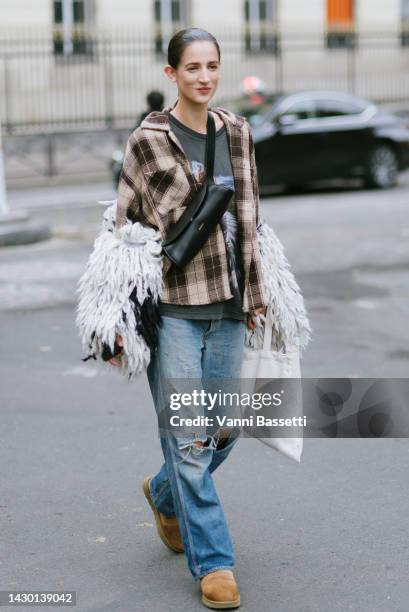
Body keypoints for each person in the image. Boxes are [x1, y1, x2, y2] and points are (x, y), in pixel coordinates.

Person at [109, 28, 267, 609]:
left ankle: (164, 493)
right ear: (171, 74)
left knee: (224, 427)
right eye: (192, 67)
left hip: (227, 302)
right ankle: (216, 564)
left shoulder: (238, 131)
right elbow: (170, 214)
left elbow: (250, 215)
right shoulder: (150, 139)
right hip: (172, 307)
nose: (204, 77)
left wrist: (255, 292)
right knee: (191, 438)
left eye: (212, 66)